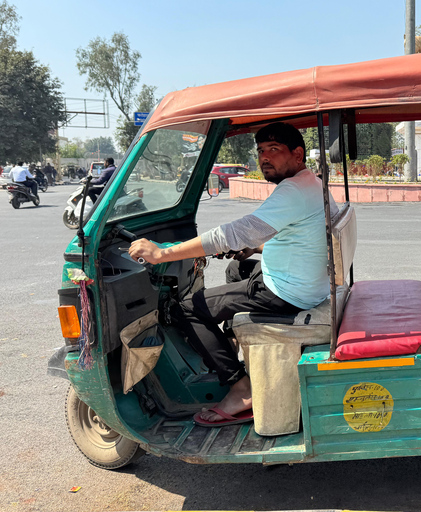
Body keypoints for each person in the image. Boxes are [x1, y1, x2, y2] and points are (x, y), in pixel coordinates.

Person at [129, 122, 338, 427]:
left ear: (298, 154)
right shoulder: (310, 183)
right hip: (304, 282)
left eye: (274, 150)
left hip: (288, 293)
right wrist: (256, 250)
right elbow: (302, 239)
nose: (265, 157)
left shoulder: (293, 191)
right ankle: (230, 346)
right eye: (261, 151)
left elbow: (235, 232)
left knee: (187, 310)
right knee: (235, 267)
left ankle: (241, 389)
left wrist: (162, 254)